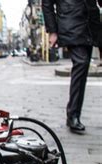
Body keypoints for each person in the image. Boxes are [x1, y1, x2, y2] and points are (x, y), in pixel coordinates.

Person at [42, 0, 102, 133]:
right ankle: (73, 115)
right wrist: (52, 31)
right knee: (82, 62)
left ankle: (73, 114)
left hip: (91, 23)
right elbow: (47, 4)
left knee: (83, 66)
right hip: (71, 23)